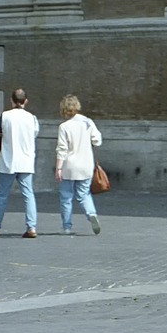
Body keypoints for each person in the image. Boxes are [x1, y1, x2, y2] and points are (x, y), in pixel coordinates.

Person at [0, 88, 40, 238]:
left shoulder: (2, 116)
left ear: (11, 100)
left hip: (8, 160)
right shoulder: (32, 118)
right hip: (26, 160)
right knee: (28, 194)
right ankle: (31, 227)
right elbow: (34, 134)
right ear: (26, 101)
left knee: (2, 195)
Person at [54, 94, 103, 235]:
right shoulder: (88, 122)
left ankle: (67, 226)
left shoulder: (64, 126)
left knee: (66, 197)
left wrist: (58, 168)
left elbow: (61, 149)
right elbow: (97, 141)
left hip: (69, 166)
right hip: (86, 164)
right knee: (84, 195)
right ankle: (91, 214)